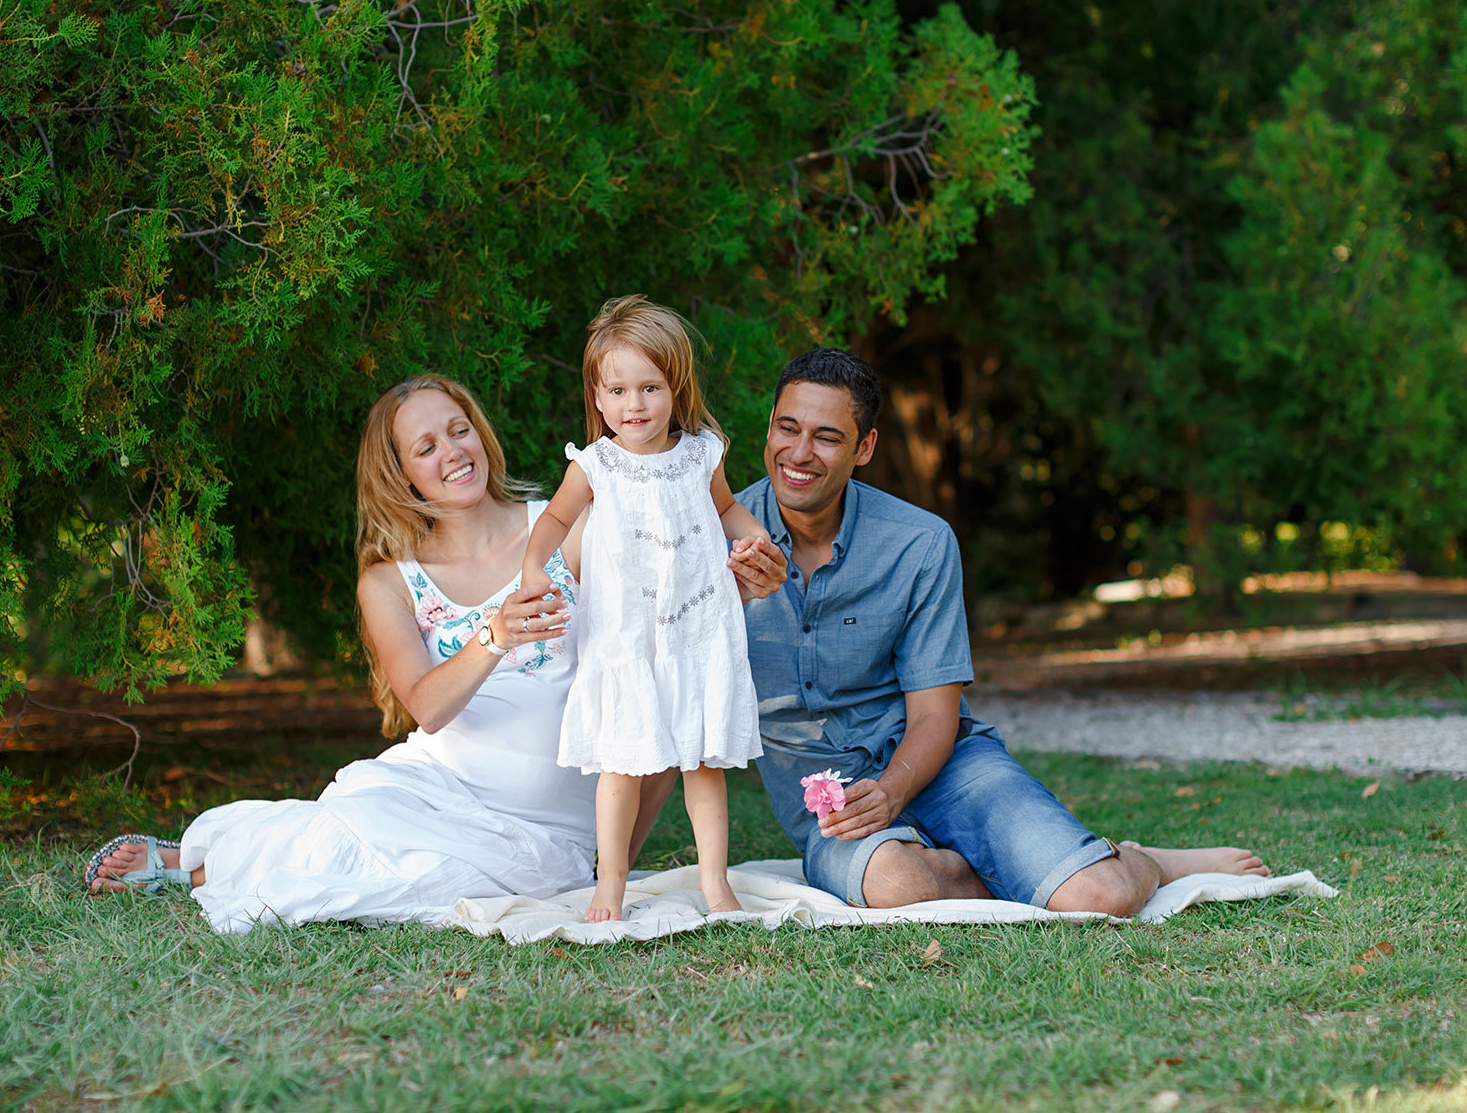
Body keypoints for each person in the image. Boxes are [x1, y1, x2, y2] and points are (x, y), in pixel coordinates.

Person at [83, 371, 785, 931]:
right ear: (401, 474)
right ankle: (193, 863)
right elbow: (427, 705)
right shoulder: (390, 580)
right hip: (431, 785)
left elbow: (659, 671)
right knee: (345, 837)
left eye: (460, 430)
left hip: (545, 832)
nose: (453, 452)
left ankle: (202, 862)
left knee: (422, 878)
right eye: (427, 447)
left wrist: (746, 584)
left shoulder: (568, 526)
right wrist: (495, 634)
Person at [737, 348, 1271, 916]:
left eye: (826, 437)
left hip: (942, 765)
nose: (799, 453)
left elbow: (935, 715)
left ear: (864, 448)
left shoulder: (920, 543)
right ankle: (1008, 864)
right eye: (787, 428)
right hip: (831, 805)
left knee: (1102, 897)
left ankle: (1145, 863)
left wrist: (892, 791)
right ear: (768, 427)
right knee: (898, 889)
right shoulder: (713, 542)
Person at [523, 296, 769, 922]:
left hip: (698, 632)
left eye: (650, 387)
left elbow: (726, 510)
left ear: (675, 388)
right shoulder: (598, 465)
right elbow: (553, 518)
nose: (635, 405)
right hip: (625, 640)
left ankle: (716, 884)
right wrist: (533, 567)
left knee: (704, 764)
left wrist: (754, 536)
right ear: (599, 398)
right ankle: (612, 888)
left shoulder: (699, 455)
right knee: (621, 770)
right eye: (619, 390)